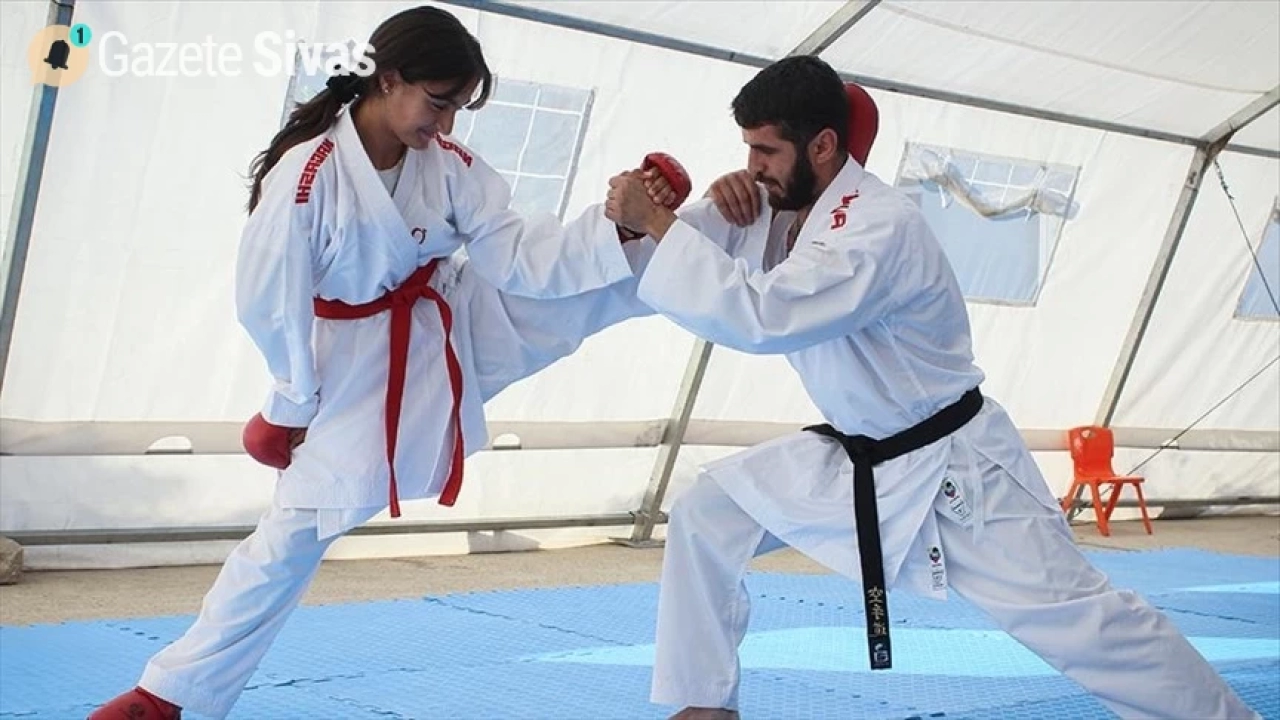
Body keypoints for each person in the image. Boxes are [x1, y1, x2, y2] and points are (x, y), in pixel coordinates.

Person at [603, 56, 1260, 720]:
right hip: (862, 454)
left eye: (765, 151)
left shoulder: (877, 226)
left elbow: (763, 314)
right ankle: (705, 707)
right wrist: (721, 205)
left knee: (1086, 625)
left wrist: (659, 224)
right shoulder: (797, 211)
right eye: (748, 150)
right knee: (709, 512)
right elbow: (742, 264)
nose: (753, 167)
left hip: (958, 468)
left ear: (823, 145)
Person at [88, 6, 688, 719]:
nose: (448, 123)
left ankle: (716, 244)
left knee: (590, 289)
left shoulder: (449, 165)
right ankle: (169, 695)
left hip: (448, 314)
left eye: (459, 108)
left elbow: (514, 254)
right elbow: (270, 302)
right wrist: (289, 402)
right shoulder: (310, 175)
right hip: (350, 359)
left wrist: (621, 226)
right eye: (439, 103)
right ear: (389, 79)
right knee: (293, 534)